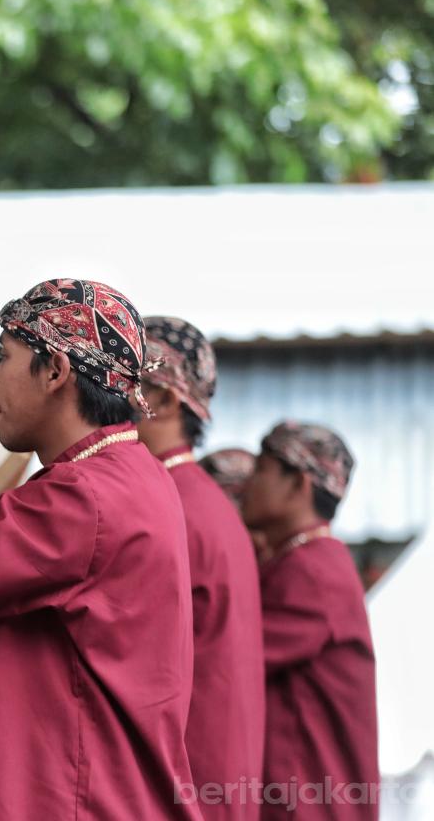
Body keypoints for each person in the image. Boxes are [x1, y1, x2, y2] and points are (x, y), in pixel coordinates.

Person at [0, 279, 200, 820]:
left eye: (5, 358)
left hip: (79, 802)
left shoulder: (85, 497)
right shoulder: (134, 474)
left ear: (55, 372)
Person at [139, 316, 264, 819]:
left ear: (167, 401)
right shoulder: (195, 497)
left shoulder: (167, 502)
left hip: (190, 786)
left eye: (124, 383)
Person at [240, 422, 378, 820]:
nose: (248, 483)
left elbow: (230, 656)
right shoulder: (303, 561)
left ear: (299, 484)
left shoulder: (313, 572)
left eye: (261, 470)